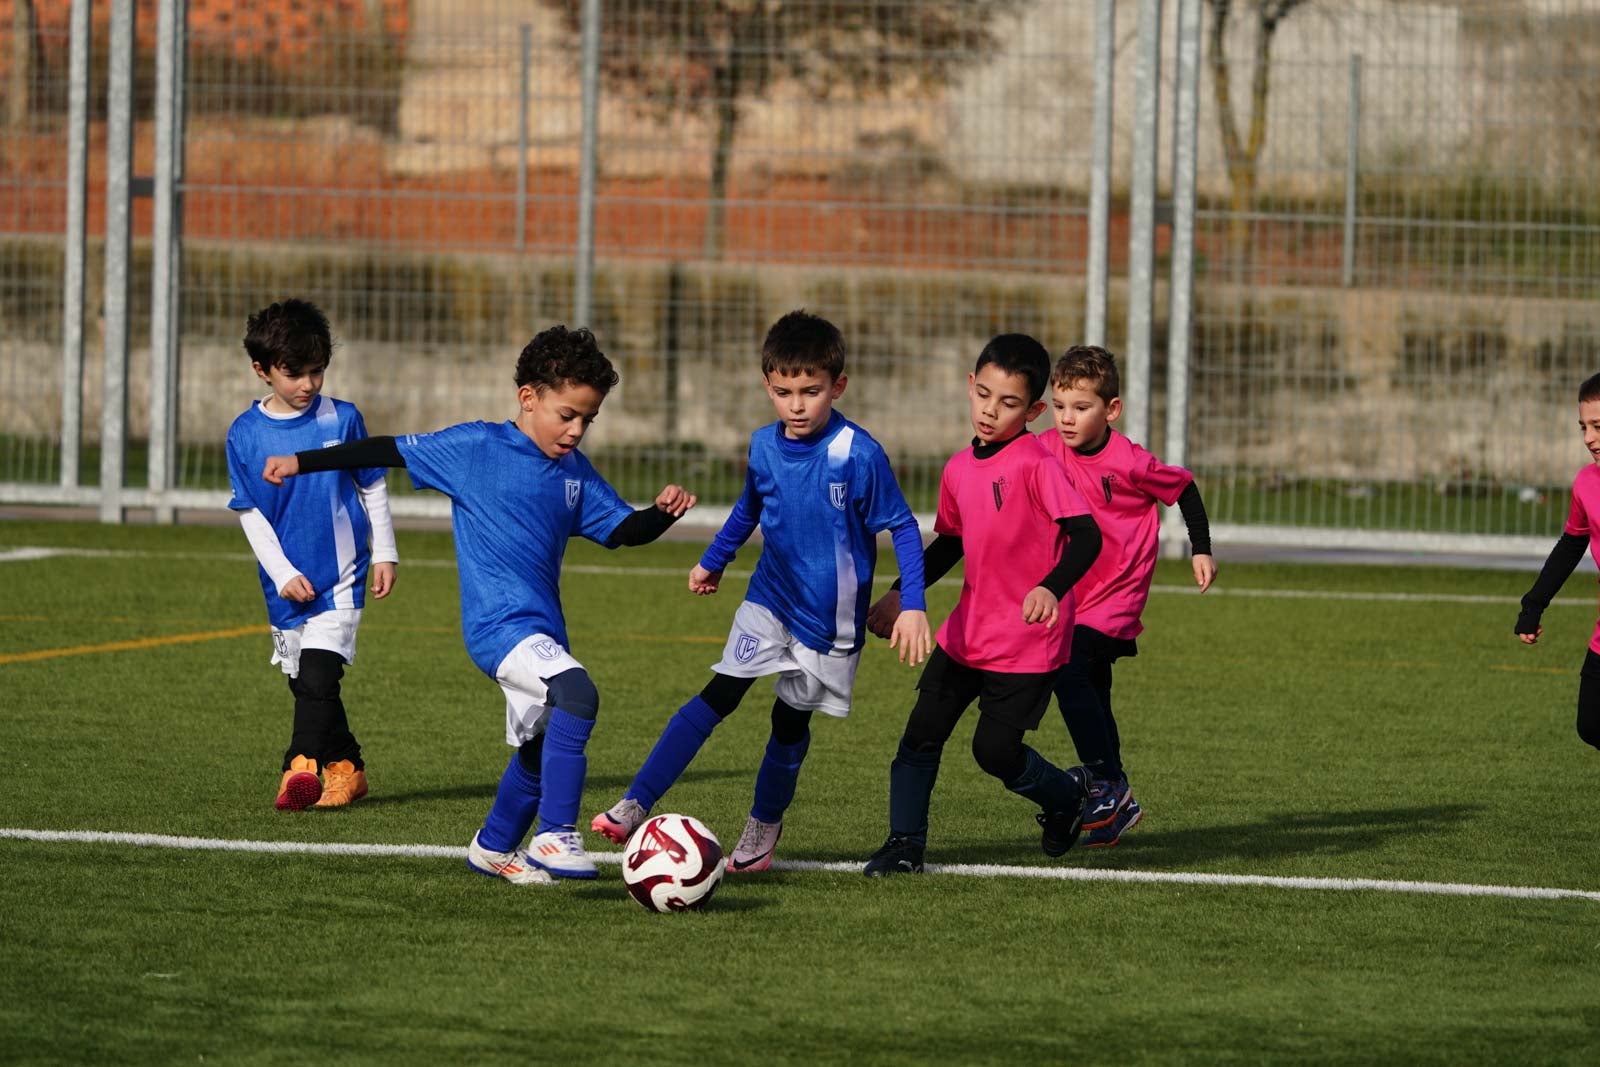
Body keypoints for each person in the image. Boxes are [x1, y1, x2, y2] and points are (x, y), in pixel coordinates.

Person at [262, 325, 696, 885]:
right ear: (528, 398)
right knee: (579, 694)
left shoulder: (574, 475)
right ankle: (556, 835)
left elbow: (622, 531)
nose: (577, 430)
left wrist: (660, 513)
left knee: (541, 748)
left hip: (543, 630)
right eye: (567, 414)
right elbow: (387, 449)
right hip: (498, 626)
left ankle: (493, 846)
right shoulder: (476, 449)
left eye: (588, 419)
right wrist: (301, 461)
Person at [590, 310, 931, 872]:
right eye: (783, 392)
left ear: (837, 386)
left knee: (788, 723)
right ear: (766, 385)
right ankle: (635, 802)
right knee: (720, 692)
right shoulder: (763, 446)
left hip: (831, 621)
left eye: (810, 391)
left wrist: (912, 604)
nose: (796, 405)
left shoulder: (859, 454)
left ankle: (763, 824)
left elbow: (901, 526)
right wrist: (713, 561)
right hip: (770, 598)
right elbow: (750, 508)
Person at [860, 333, 1103, 876]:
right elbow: (950, 540)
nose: (991, 411)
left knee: (993, 752)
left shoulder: (1038, 464)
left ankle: (1066, 798)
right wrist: (902, 592)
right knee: (920, 735)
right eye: (985, 395)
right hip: (968, 630)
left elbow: (1087, 537)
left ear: (1035, 410)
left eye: (1009, 403)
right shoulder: (958, 468)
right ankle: (904, 845)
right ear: (970, 385)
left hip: (1027, 640)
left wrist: (1050, 587)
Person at [1038, 344, 1215, 847]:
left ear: (1111, 410)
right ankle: (1115, 797)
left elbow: (1184, 489)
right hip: (1072, 592)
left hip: (1116, 594)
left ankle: (1105, 779)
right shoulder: (1047, 447)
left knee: (1067, 666)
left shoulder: (1130, 462)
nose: (1068, 419)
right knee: (1092, 687)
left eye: (1082, 407)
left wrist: (1200, 550)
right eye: (1060, 406)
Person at [226, 298, 398, 812]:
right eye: (294, 373)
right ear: (262, 370)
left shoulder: (342, 419)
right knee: (307, 685)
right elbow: (250, 512)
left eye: (317, 371)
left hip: (340, 575)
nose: (307, 384)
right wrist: (281, 574)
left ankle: (298, 766)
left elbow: (373, 486)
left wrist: (385, 551)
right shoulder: (244, 434)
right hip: (285, 586)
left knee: (321, 676)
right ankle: (347, 768)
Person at [1514, 370, 1600, 756]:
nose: (1589, 439)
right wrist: (1534, 603)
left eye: (1598, 426)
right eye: (1583, 427)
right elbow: (1571, 545)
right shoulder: (1586, 483)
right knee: (1592, 724)